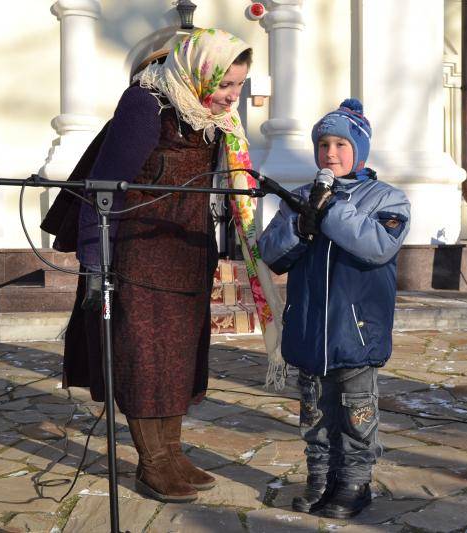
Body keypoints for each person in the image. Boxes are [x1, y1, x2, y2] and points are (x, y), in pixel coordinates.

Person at [60, 28, 254, 503]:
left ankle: (172, 452)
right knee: (145, 362)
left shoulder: (214, 119)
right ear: (199, 72)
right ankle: (152, 464)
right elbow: (102, 189)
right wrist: (95, 262)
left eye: (239, 85)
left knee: (179, 361)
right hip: (139, 259)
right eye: (226, 84)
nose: (233, 96)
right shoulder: (147, 105)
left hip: (187, 256)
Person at [258, 99, 411, 518]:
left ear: (359, 150)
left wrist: (330, 209)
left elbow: (377, 246)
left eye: (341, 144)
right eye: (323, 145)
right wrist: (299, 226)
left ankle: (354, 483)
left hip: (355, 331)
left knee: (355, 414)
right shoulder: (300, 198)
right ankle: (320, 478)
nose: (330, 153)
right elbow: (270, 253)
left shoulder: (387, 198)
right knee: (314, 413)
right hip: (309, 328)